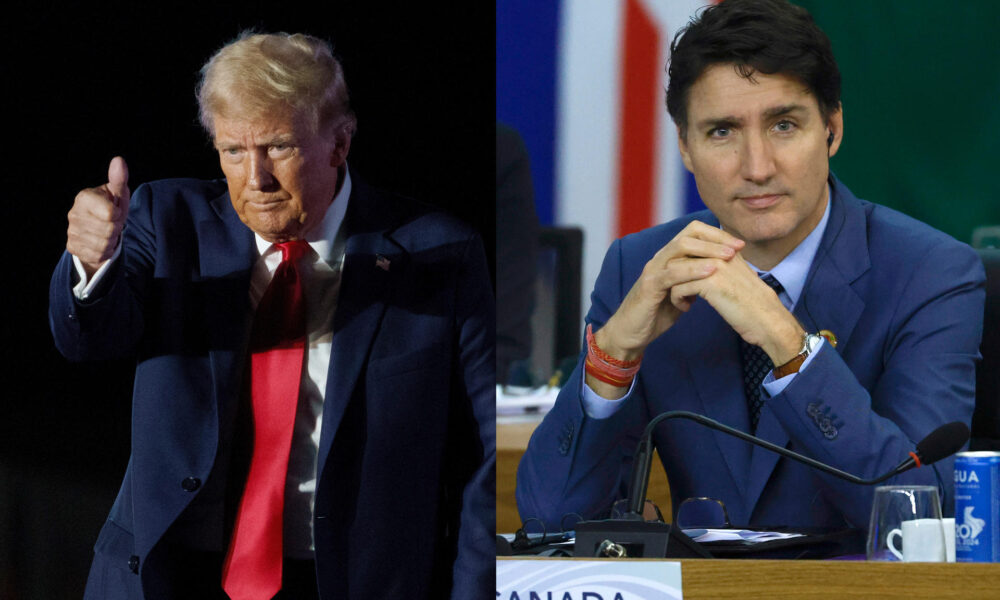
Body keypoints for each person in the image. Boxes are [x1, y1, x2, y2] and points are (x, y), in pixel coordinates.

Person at [50, 32, 494, 599]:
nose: (255, 177)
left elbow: (480, 460)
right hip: (169, 573)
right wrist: (90, 265)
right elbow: (86, 339)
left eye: (279, 147)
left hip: (348, 579)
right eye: (234, 151)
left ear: (340, 142)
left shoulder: (438, 255)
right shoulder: (167, 220)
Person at [517, 0, 984, 534]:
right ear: (685, 147)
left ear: (832, 129)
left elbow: (923, 515)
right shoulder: (639, 267)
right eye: (722, 132)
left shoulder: (932, 272)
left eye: (784, 125)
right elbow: (547, 520)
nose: (757, 167)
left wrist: (786, 343)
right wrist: (614, 354)